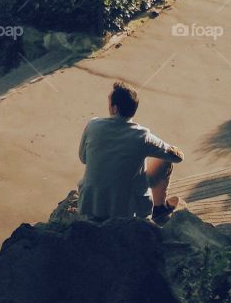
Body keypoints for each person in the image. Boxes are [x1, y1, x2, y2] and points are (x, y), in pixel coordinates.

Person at [77, 81, 183, 223]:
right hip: (126, 211)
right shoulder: (142, 136)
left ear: (114, 109)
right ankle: (159, 207)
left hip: (91, 206)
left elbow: (83, 158)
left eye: (109, 102)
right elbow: (177, 158)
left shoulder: (93, 126)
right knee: (166, 162)